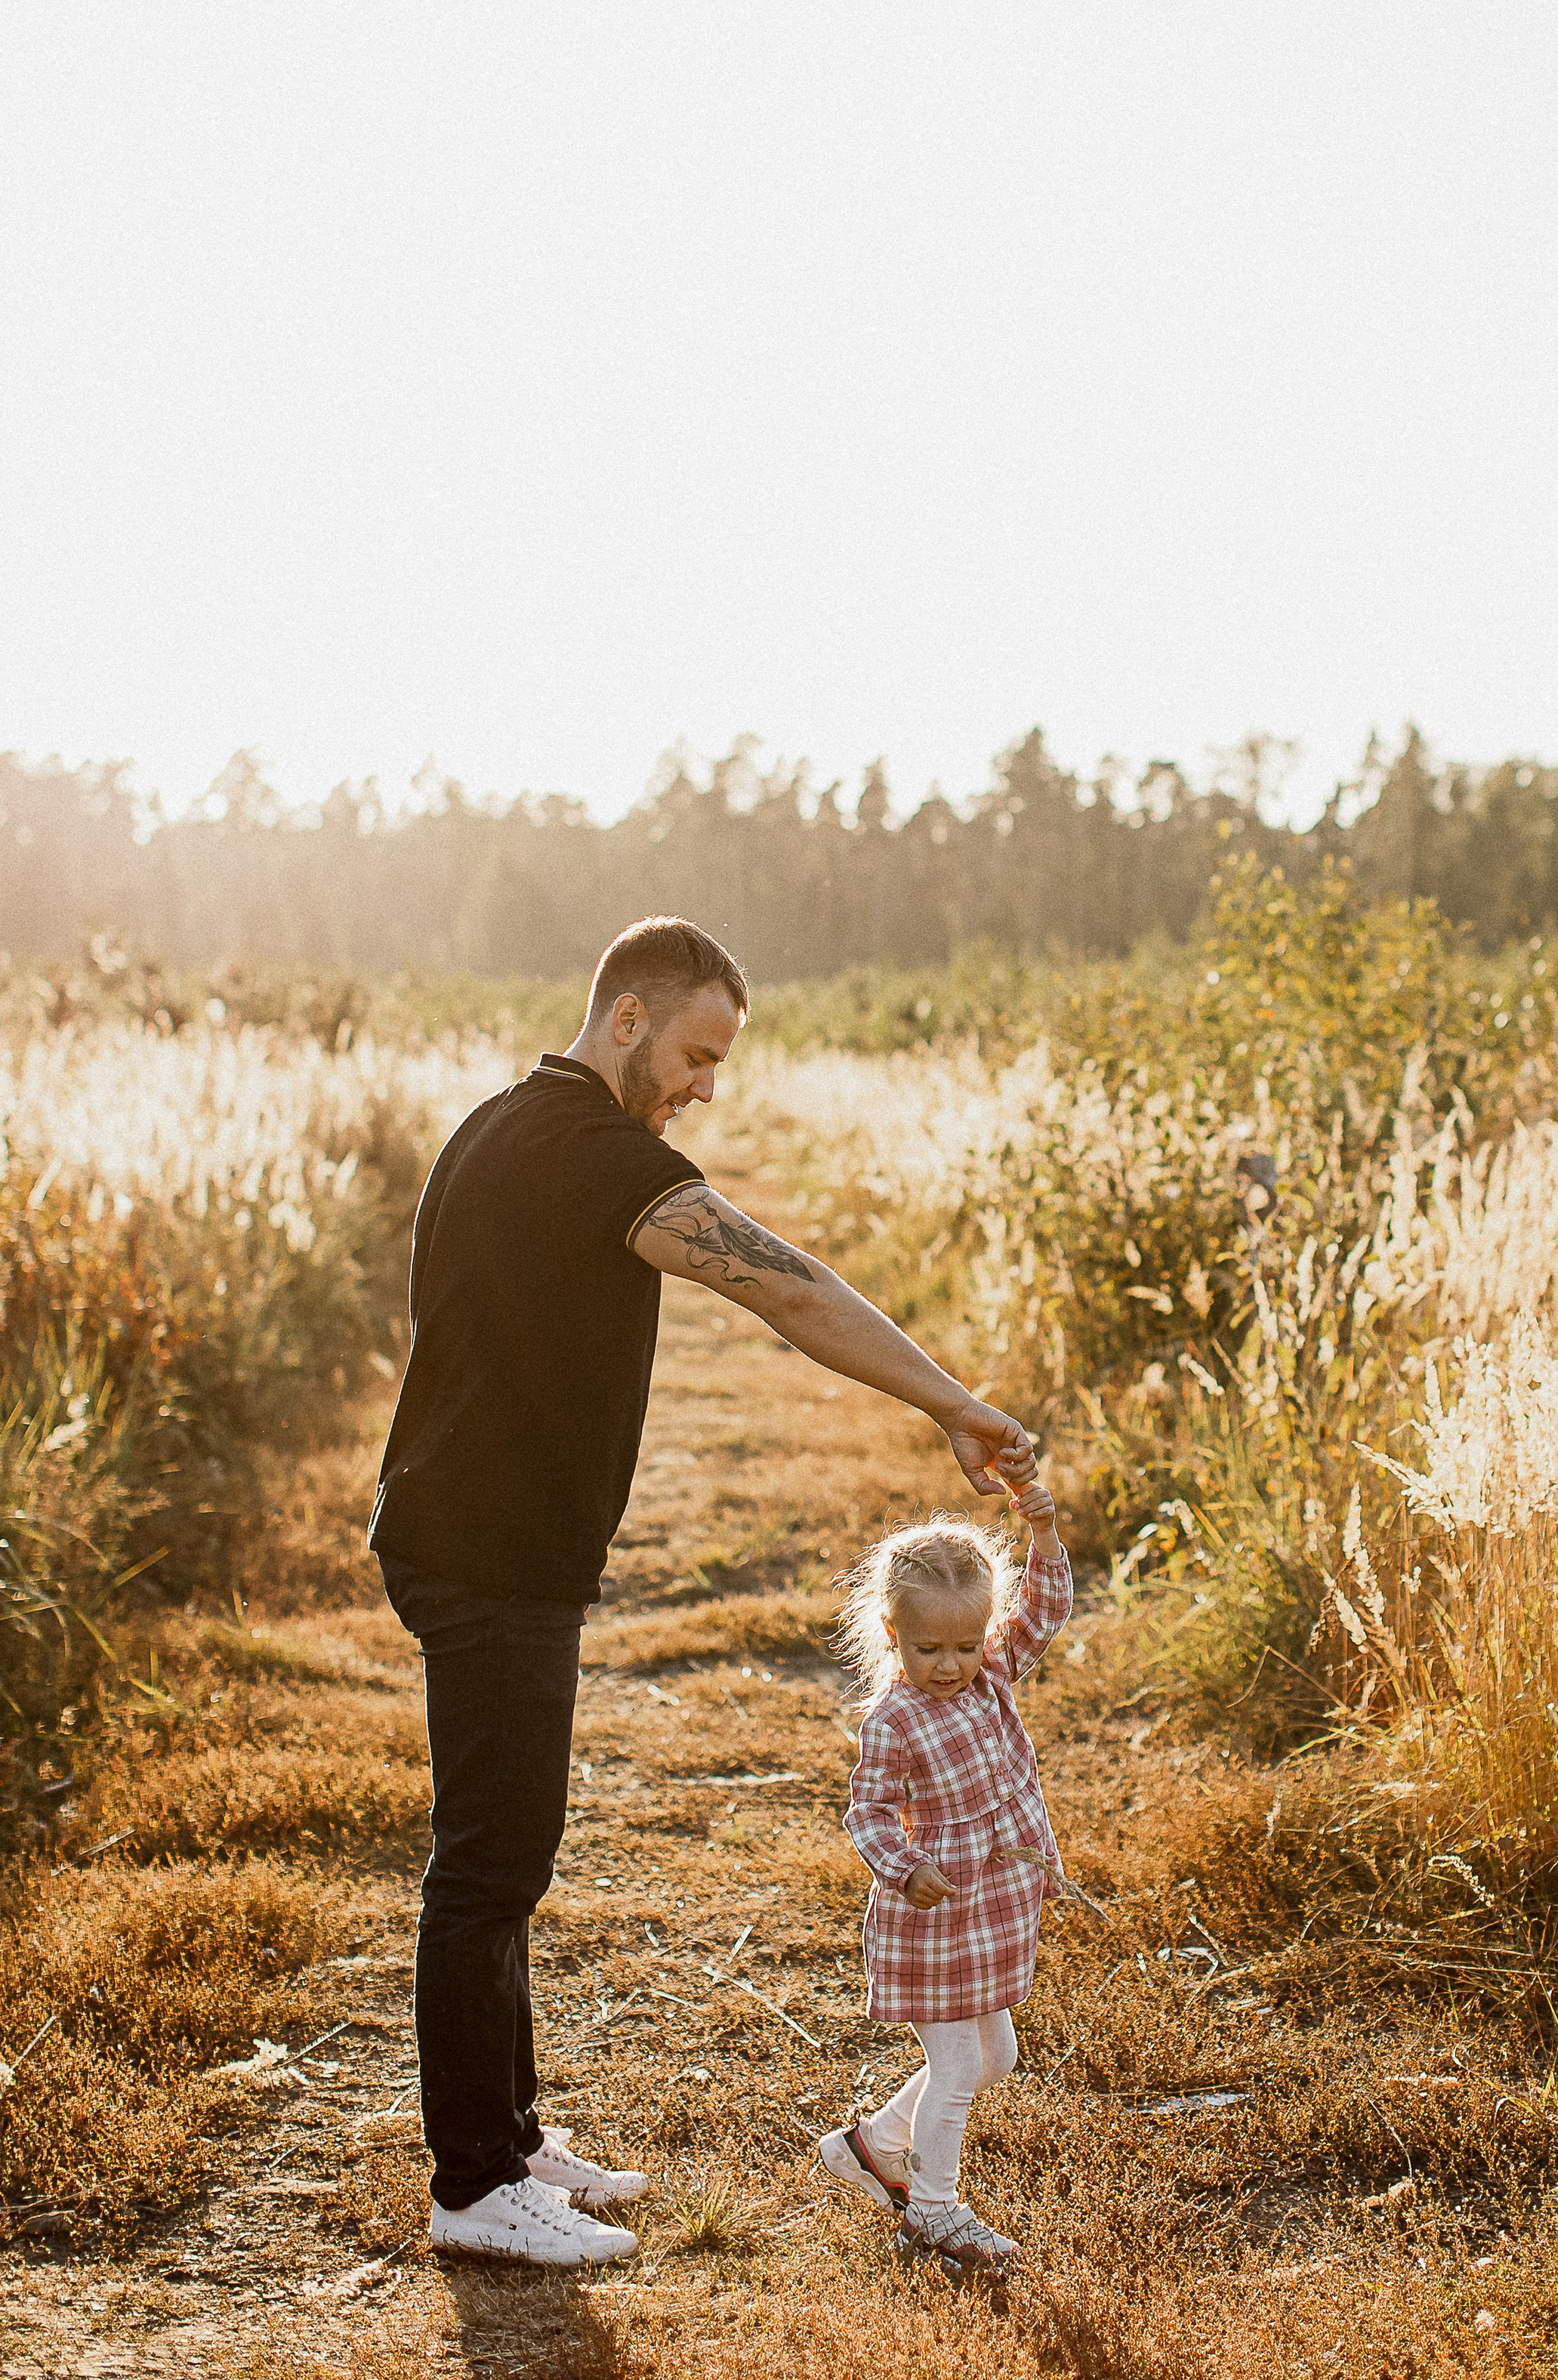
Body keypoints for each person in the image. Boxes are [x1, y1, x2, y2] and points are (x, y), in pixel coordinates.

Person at [366, 915, 1038, 2270]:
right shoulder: (597, 1155)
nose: (703, 1089)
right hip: (490, 1549)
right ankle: (471, 2186)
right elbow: (794, 1294)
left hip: (471, 1530)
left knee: (508, 1857)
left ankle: (511, 2135)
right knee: (489, 1867)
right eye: (694, 1054)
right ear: (624, 1019)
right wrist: (952, 1403)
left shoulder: (497, 1125)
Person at [819, 1489, 1071, 2281]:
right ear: (894, 1636)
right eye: (929, 1648)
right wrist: (903, 1867)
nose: (949, 1664)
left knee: (996, 2055)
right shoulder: (894, 1719)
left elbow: (1045, 1611)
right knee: (960, 2065)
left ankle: (870, 2146)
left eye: (965, 1644)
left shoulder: (990, 1673)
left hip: (992, 1903)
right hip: (932, 1913)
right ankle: (932, 2208)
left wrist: (1043, 1528)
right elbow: (866, 1812)